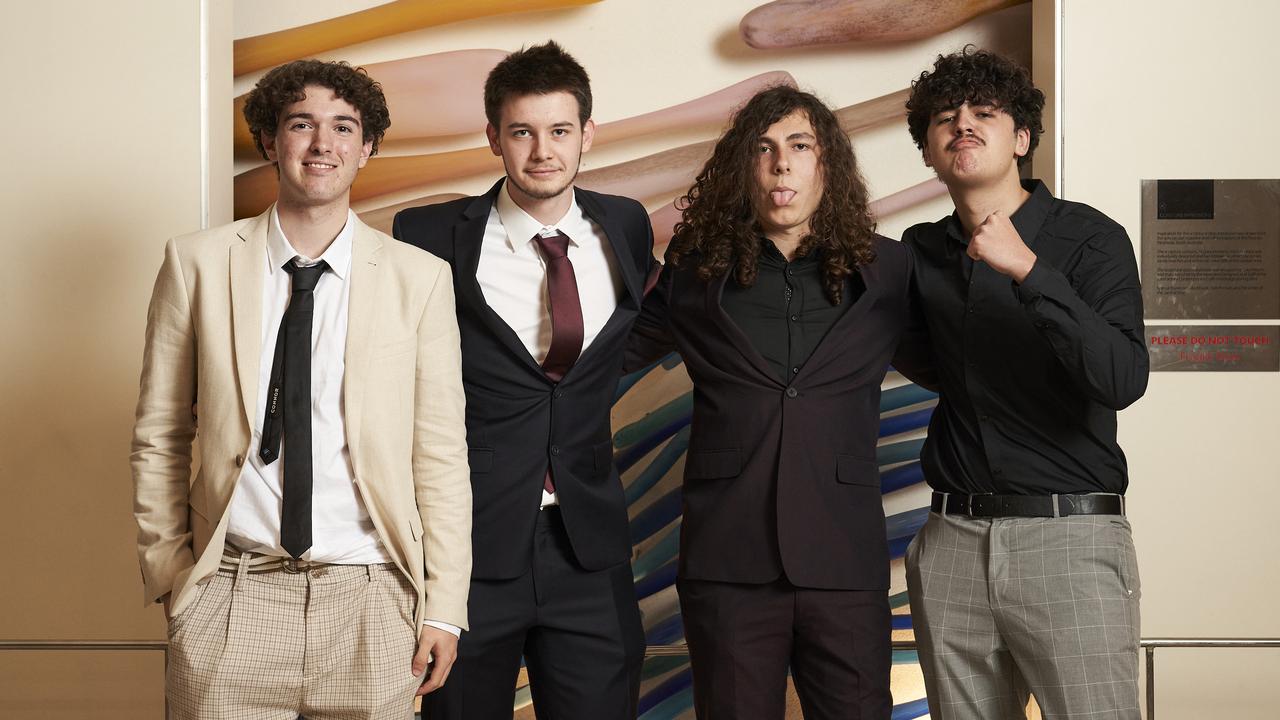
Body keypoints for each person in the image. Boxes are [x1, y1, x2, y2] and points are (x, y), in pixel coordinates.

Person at [131, 59, 472, 719]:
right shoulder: (196, 263)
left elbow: (440, 455)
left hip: (373, 601)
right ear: (270, 140)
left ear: (367, 146)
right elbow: (159, 432)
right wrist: (174, 578)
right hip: (231, 592)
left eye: (344, 127)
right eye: (302, 125)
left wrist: (446, 607)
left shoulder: (419, 278)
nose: (324, 145)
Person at [625, 85, 909, 720]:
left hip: (845, 562)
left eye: (800, 146)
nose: (782, 162)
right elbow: (601, 358)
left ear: (825, 164)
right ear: (744, 167)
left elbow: (958, 365)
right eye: (765, 148)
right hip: (728, 562)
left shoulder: (889, 271)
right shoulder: (696, 272)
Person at [392, 41, 651, 720]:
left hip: (588, 546)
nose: (543, 150)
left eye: (560, 131)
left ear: (587, 135)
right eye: (522, 132)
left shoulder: (625, 224)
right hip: (466, 548)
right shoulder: (427, 236)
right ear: (493, 139)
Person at [896, 46, 1149, 720]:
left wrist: (1029, 272)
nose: (964, 125)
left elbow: (1122, 378)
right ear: (928, 150)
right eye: (946, 117)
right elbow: (924, 360)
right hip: (951, 542)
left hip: (1069, 540)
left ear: (1023, 139)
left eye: (985, 113)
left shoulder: (1091, 240)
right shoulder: (918, 254)